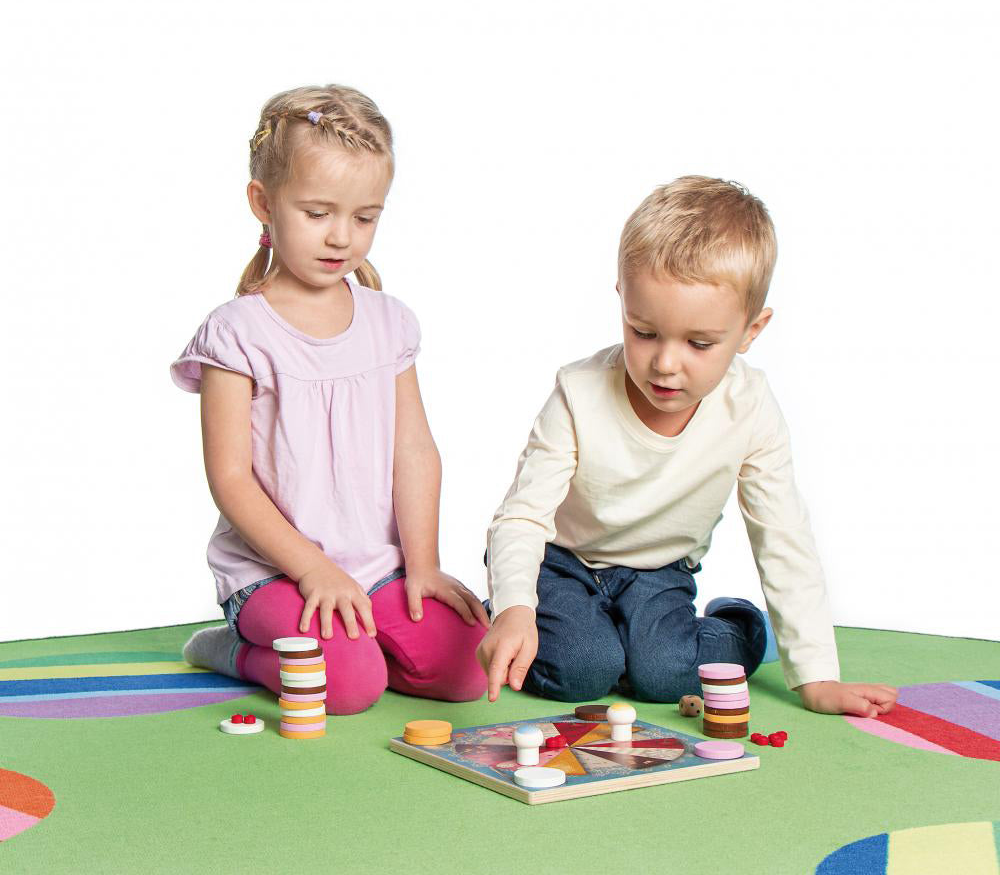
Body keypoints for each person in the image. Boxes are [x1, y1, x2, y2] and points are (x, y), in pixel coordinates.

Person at [477, 176, 897, 720]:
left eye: (699, 343)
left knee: (664, 677)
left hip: (658, 572)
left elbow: (782, 534)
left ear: (751, 331)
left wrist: (816, 677)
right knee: (582, 670)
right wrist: (516, 606)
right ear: (622, 302)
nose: (666, 363)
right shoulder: (579, 393)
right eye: (643, 332)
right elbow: (523, 517)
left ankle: (736, 626)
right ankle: (513, 617)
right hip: (561, 564)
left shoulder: (750, 407)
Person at [173, 84, 487, 714]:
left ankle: (367, 638)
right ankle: (233, 649)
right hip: (274, 570)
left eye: (364, 217)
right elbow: (230, 477)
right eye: (317, 214)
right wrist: (312, 569)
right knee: (347, 687)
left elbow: (415, 449)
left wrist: (422, 565)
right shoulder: (237, 332)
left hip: (377, 566)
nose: (341, 237)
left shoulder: (389, 321)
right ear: (264, 204)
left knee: (464, 671)